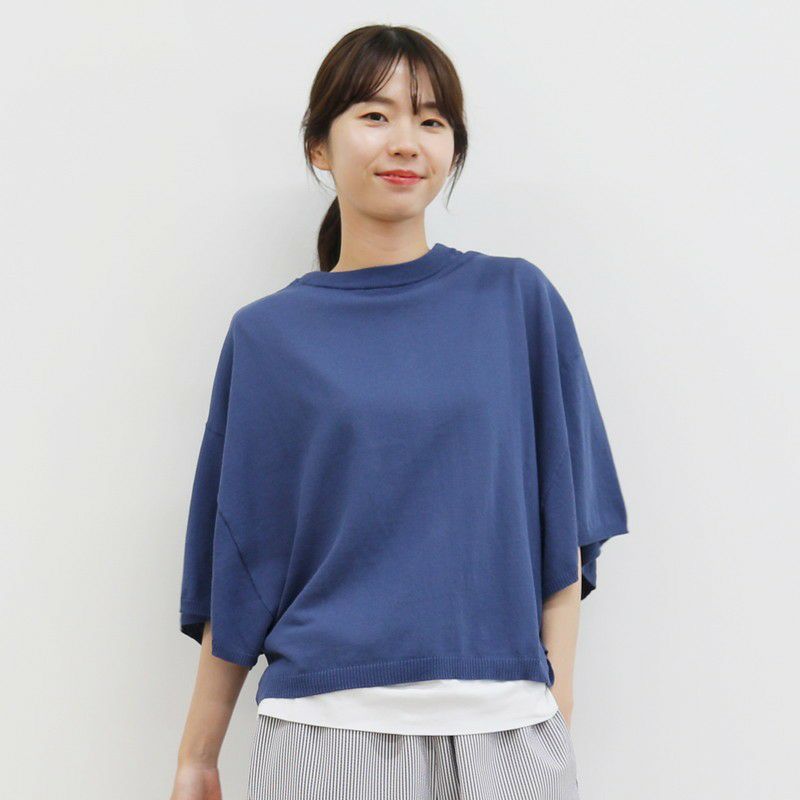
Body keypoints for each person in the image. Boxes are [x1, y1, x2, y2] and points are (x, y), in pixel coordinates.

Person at [171, 24, 629, 800]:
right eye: (375, 115)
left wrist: (558, 700)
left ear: (453, 148)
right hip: (326, 730)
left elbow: (566, 517)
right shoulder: (269, 337)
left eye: (431, 119)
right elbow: (243, 562)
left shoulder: (516, 302)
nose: (406, 142)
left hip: (508, 727)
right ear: (319, 146)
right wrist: (198, 757)